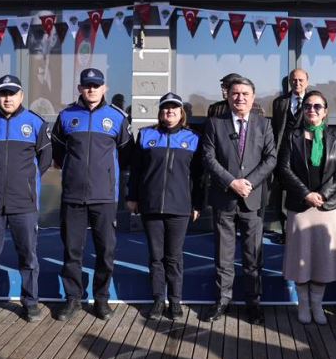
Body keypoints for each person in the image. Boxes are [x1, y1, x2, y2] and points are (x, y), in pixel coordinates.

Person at [0, 75, 52, 326]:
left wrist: (25, 182)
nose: (7, 98)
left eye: (12, 93)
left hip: (23, 203)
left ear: (21, 96)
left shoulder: (35, 123)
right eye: (3, 93)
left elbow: (45, 159)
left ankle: (31, 303)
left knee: (28, 257)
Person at [51, 68, 132, 321]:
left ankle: (101, 299)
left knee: (105, 251)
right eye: (87, 85)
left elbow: (126, 155)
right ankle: (73, 299)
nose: (91, 89)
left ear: (104, 88)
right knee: (72, 251)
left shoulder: (116, 118)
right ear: (80, 88)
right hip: (73, 196)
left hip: (104, 197)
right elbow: (57, 154)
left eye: (96, 85)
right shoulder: (66, 116)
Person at [201, 76, 277, 324]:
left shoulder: (264, 125)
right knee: (223, 255)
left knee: (253, 255)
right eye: (235, 93)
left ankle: (253, 302)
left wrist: (249, 183)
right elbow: (208, 158)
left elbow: (271, 158)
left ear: (253, 98)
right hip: (224, 198)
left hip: (252, 200)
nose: (240, 98)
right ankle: (223, 300)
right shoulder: (215, 124)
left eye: (245, 94)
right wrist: (231, 182)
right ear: (228, 96)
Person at [126, 92, 203, 320]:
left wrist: (198, 204)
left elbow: (199, 177)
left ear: (181, 113)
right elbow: (136, 171)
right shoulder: (146, 135)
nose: (170, 111)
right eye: (165, 108)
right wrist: (132, 197)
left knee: (174, 257)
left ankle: (175, 301)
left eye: (174, 108)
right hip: (151, 206)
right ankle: (158, 300)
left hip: (179, 207)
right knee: (156, 256)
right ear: (160, 112)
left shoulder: (193, 138)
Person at [278, 90, 336, 325]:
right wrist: (306, 194)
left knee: (322, 258)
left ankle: (317, 305)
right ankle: (303, 305)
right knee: (301, 257)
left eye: (317, 106)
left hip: (327, 207)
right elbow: (284, 169)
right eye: (308, 106)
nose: (312, 110)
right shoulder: (292, 136)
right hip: (300, 206)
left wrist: (323, 194)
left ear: (325, 111)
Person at [270, 68, 310, 244]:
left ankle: (303, 230)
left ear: (307, 82)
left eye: (301, 80)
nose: (297, 83)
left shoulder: (313, 101)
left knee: (304, 189)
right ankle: (286, 232)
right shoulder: (279, 103)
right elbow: (275, 128)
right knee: (282, 193)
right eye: (294, 80)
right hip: (283, 152)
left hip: (305, 152)